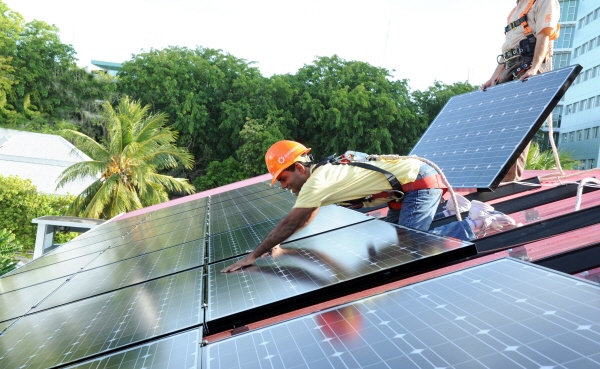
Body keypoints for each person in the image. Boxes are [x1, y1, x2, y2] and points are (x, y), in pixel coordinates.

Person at [222, 140, 517, 273]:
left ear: (299, 167)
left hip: (418, 182)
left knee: (408, 252)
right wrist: (285, 249)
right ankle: (451, 215)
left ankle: (476, 221)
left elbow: (290, 222)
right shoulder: (319, 180)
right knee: (392, 243)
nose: (284, 185)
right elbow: (302, 221)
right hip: (405, 189)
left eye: (284, 178)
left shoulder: (316, 183)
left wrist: (254, 255)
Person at [482, 0, 560, 182]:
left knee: (516, 129)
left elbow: (544, 35)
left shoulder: (544, 1)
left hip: (528, 64)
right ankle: (495, 182)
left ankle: (509, 185)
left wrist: (534, 67)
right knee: (499, 130)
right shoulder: (516, 9)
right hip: (510, 66)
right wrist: (494, 77)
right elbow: (508, 50)